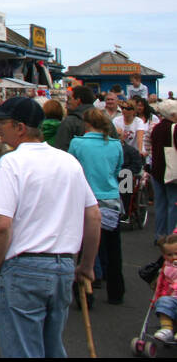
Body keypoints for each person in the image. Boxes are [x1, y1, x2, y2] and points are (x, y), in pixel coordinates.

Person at [0, 97, 101, 358]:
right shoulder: (68, 161)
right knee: (52, 347)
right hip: (62, 265)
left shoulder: (12, 162)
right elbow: (93, 216)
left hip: (24, 264)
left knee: (23, 350)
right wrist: (87, 265)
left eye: (1, 121)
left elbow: (2, 224)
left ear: (20, 127)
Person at [68, 108, 125, 304]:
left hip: (86, 197)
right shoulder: (116, 145)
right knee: (113, 248)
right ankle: (116, 292)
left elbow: (72, 169)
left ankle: (85, 291)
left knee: (86, 245)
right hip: (110, 196)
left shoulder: (77, 143)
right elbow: (118, 169)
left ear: (87, 123)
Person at [150, 100, 177, 244]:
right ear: (173, 114)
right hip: (172, 172)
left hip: (157, 171)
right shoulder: (174, 128)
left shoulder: (156, 128)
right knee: (173, 205)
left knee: (160, 205)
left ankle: (159, 236)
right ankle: (171, 238)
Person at [51, 85, 96, 152]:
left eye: (69, 98)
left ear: (78, 100)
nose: (67, 102)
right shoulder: (105, 119)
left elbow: (60, 150)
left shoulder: (70, 122)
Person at [151, 234, 177, 342]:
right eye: (170, 255)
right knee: (163, 302)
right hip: (172, 297)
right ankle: (167, 329)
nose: (174, 257)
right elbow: (161, 283)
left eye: (176, 253)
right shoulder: (167, 267)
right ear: (164, 255)